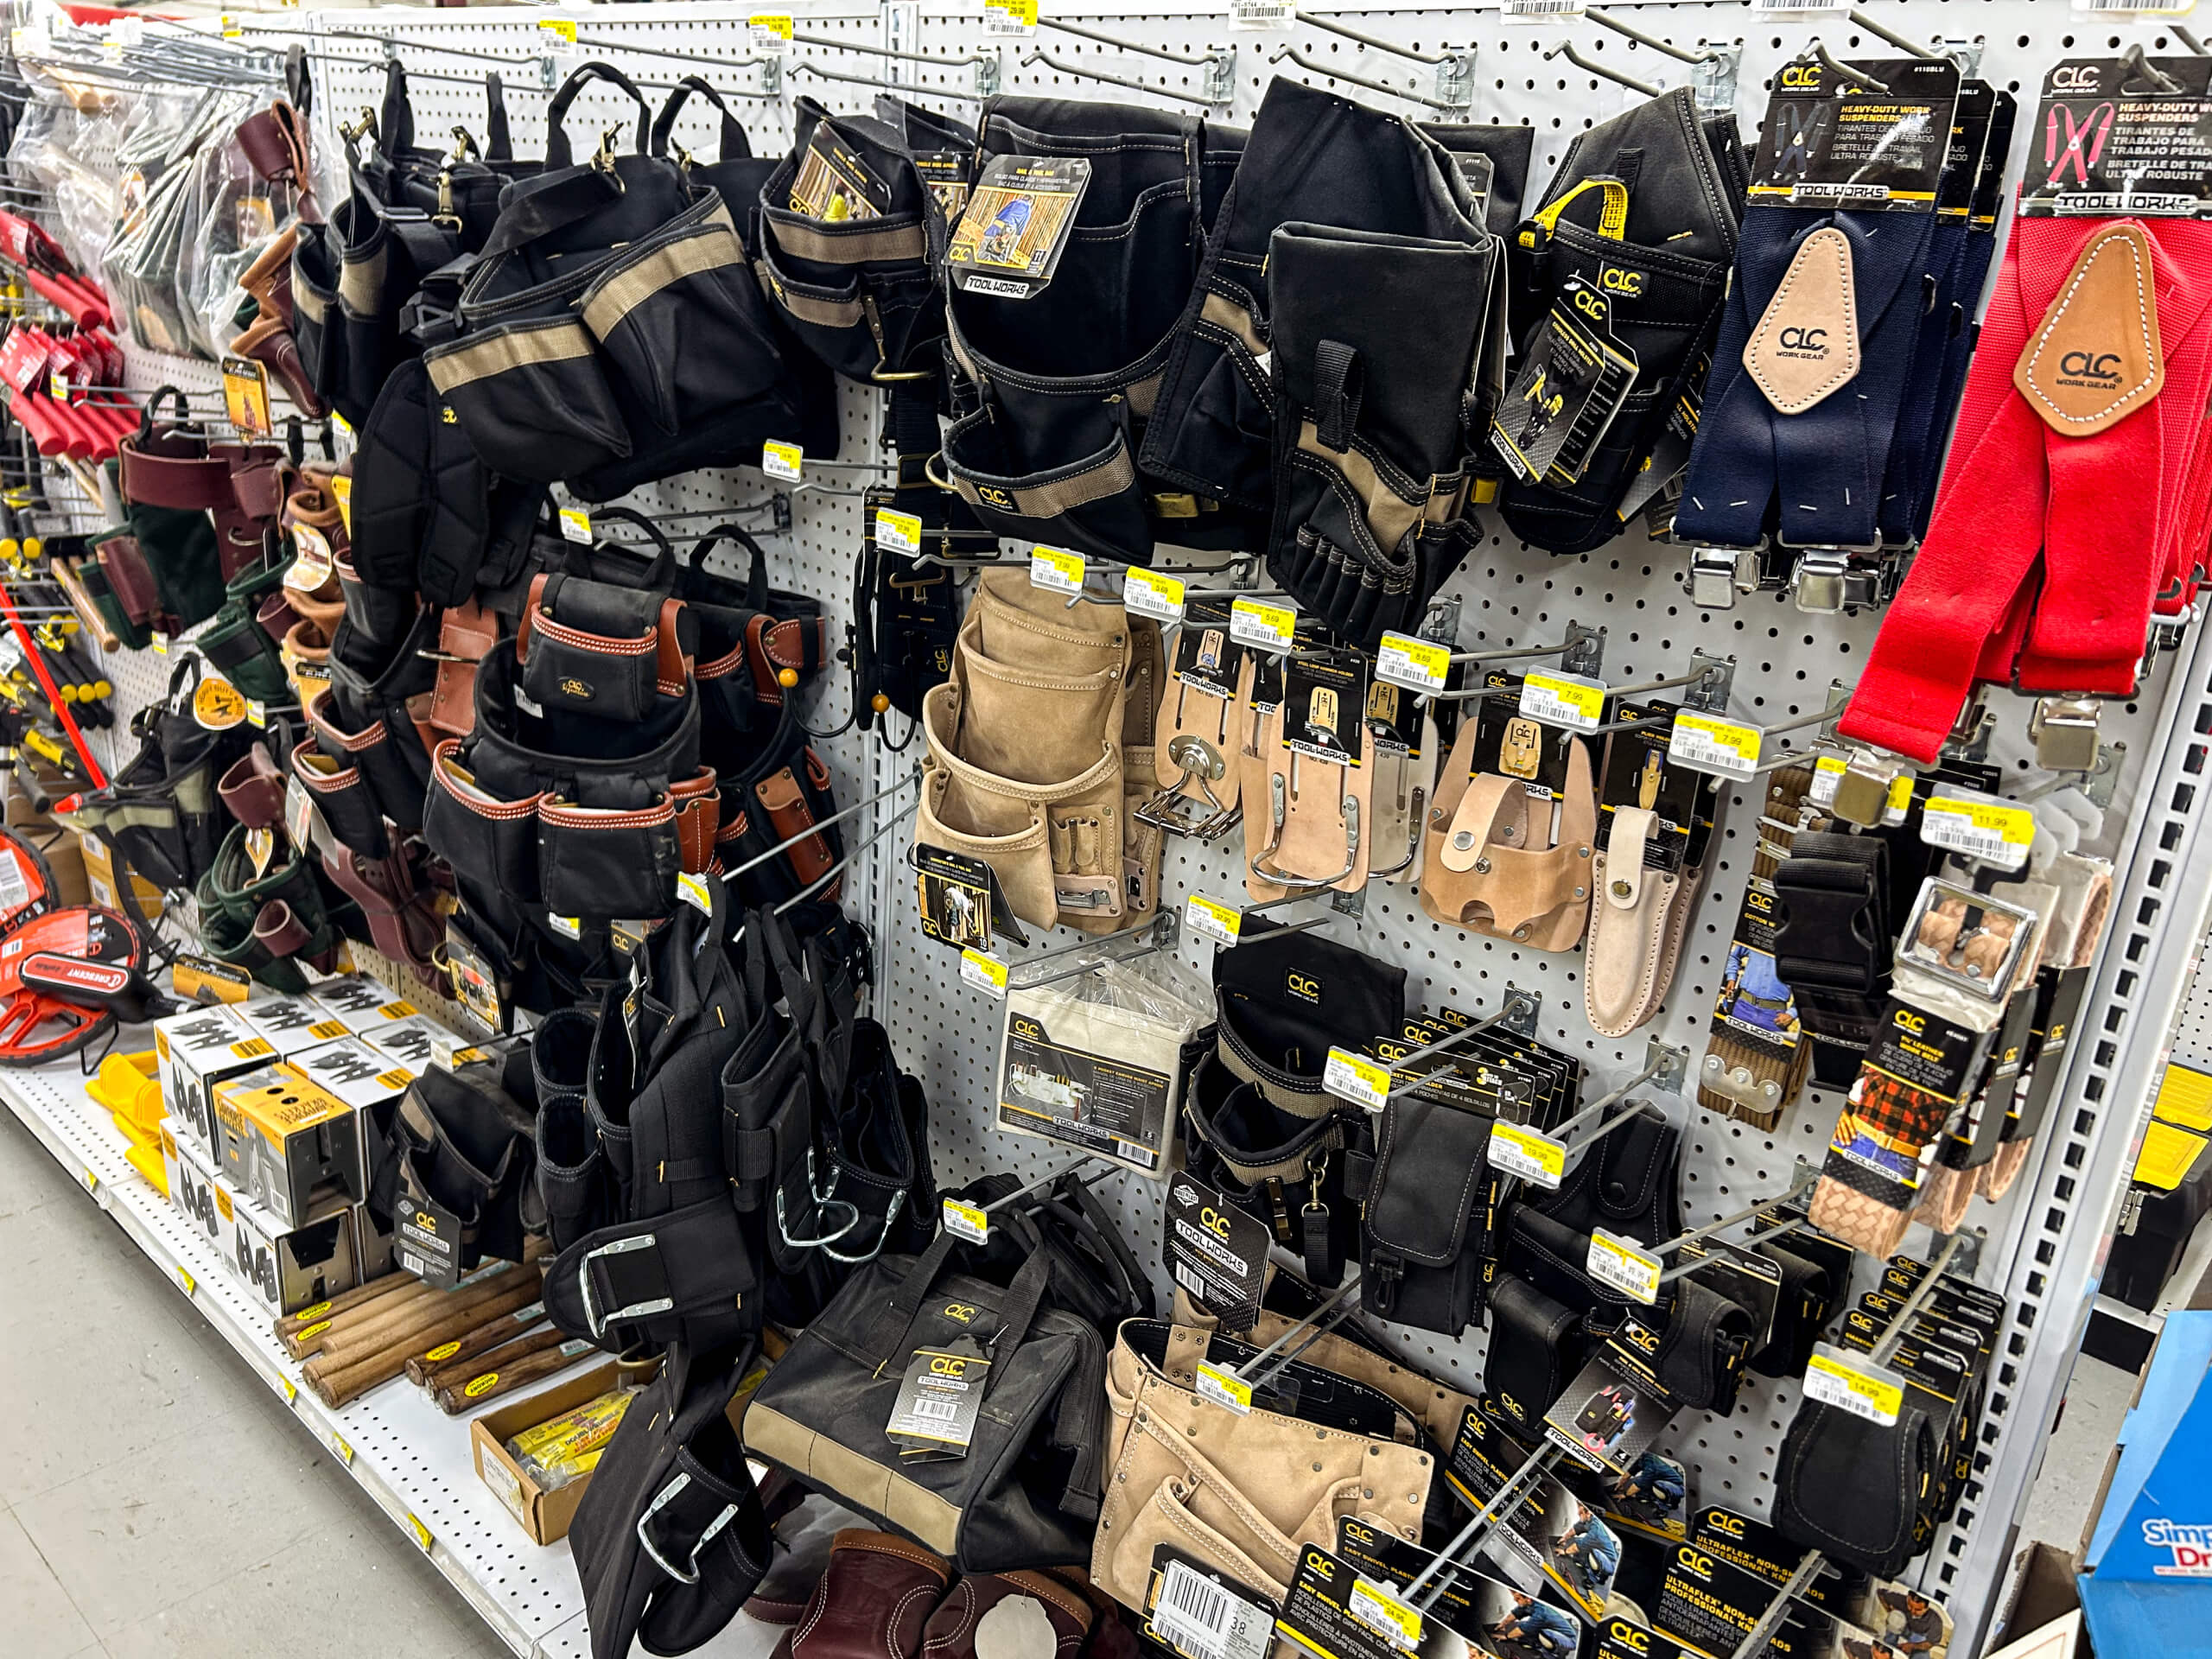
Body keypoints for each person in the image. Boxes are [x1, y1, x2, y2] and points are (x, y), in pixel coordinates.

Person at [1553, 1505, 1620, 1599]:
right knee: (1580, 1552)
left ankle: (1593, 1579)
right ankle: (1601, 1575)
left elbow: (1578, 1547)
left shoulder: (1596, 1530)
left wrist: (1564, 1551)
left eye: (1581, 1513)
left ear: (1588, 1513)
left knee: (1590, 1550)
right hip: (1605, 1556)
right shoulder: (1590, 1521)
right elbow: (1576, 1529)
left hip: (1610, 1563)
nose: (1578, 1514)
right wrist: (1564, 1537)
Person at [1488, 1592, 1579, 1658]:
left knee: (1543, 1634)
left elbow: (1522, 1630)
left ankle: (1551, 1655)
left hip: (1570, 1640)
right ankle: (1537, 1644)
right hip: (1552, 1630)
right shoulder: (1528, 1603)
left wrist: (1506, 1636)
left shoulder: (1541, 1612)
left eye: (1518, 1599)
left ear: (1528, 1599)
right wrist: (1502, 1624)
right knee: (1521, 1625)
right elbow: (1515, 1614)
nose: (1516, 1601)